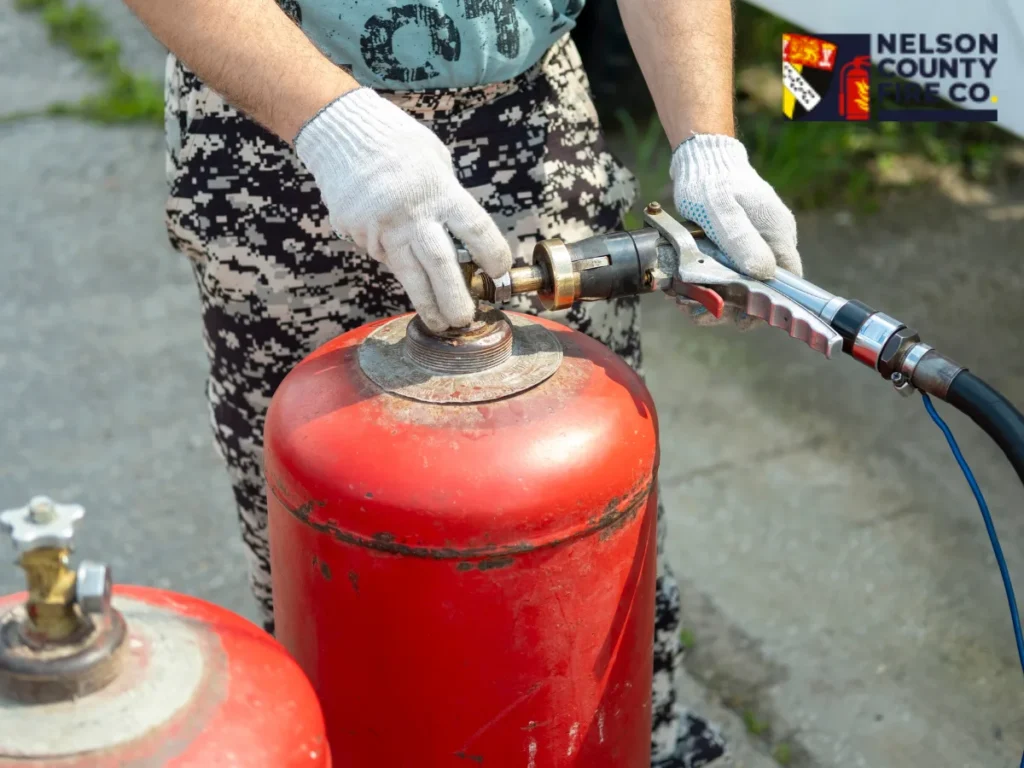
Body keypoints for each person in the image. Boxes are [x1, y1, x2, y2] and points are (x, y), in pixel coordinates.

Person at [124, 0, 802, 764]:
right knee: (335, 557)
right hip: (286, 135)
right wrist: (333, 125)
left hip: (530, 125)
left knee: (578, 530)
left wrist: (707, 144)